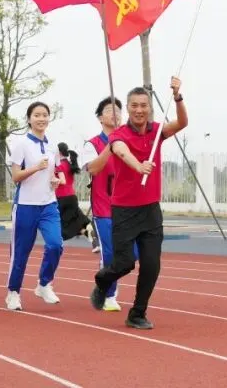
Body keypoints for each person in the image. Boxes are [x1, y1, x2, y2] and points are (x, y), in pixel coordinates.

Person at [91, 79, 187, 330]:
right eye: (134, 105)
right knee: (124, 264)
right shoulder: (119, 134)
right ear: (129, 109)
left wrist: (178, 97)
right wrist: (138, 165)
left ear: (149, 108)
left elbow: (182, 123)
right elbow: (121, 151)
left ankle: (137, 312)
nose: (139, 110)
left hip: (150, 210)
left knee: (152, 265)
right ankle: (102, 280)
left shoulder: (157, 132)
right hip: (124, 210)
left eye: (143, 105)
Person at [5, 101, 64, 312]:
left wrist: (55, 179)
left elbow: (54, 171)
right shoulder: (21, 144)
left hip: (48, 204)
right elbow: (15, 177)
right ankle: (13, 292)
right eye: (37, 115)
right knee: (21, 252)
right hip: (25, 206)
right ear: (29, 119)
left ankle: (44, 283)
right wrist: (35, 168)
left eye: (45, 115)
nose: (41, 119)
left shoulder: (52, 145)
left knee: (55, 245)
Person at [78, 96, 127, 311]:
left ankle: (102, 281)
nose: (115, 113)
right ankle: (109, 294)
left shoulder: (128, 140)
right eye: (109, 110)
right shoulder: (92, 144)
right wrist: (111, 145)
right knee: (110, 253)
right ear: (100, 117)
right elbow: (94, 169)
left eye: (118, 110)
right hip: (104, 208)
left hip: (128, 207)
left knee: (132, 254)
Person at [55, 142, 90, 242]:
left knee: (61, 224)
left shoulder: (59, 166)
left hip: (61, 198)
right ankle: (89, 233)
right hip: (72, 196)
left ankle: (57, 244)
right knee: (77, 219)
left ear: (59, 152)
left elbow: (60, 181)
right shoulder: (70, 164)